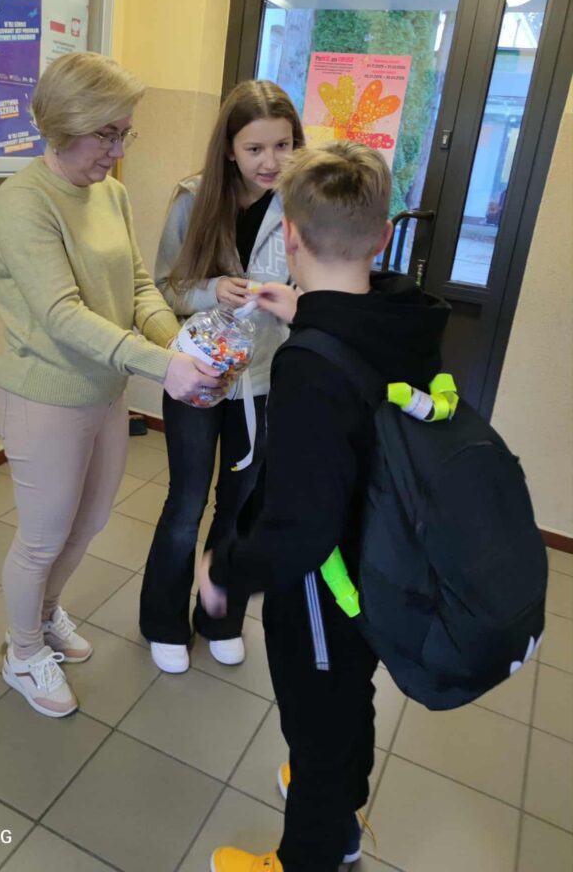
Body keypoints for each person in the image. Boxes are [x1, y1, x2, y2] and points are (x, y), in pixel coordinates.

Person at [199, 142, 449, 871]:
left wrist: (226, 571)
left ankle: (313, 847)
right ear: (382, 236)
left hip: (324, 585)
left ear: (291, 237)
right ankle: (338, 800)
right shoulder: (406, 320)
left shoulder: (310, 364)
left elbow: (300, 528)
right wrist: (308, 311)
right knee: (348, 696)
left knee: (315, 719)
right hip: (385, 562)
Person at [0, 52, 220, 718]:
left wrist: (175, 342)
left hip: (104, 393)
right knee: (42, 538)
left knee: (87, 522)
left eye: (125, 134)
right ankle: (22, 653)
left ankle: (45, 615)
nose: (119, 152)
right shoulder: (23, 203)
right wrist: (163, 367)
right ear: (65, 125)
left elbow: (140, 286)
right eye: (107, 135)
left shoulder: (110, 194)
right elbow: (63, 316)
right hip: (44, 398)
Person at [140, 80, 305, 674]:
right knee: (186, 503)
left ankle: (222, 618)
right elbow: (164, 288)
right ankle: (164, 622)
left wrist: (293, 300)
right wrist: (213, 290)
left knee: (240, 504)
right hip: (198, 376)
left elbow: (318, 288)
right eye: (255, 148)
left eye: (283, 145)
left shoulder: (302, 203)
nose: (271, 161)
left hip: (263, 382)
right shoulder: (194, 198)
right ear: (229, 150)